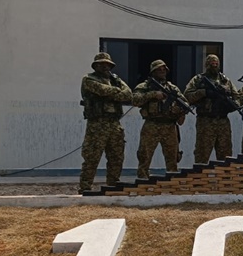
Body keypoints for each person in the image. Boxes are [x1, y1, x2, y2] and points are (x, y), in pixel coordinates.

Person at [78, 52, 132, 193]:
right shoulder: (88, 79)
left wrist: (113, 93)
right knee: (92, 157)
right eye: (101, 64)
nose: (105, 66)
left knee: (116, 157)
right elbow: (101, 90)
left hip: (114, 123)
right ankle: (85, 187)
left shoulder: (115, 80)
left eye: (107, 64)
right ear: (95, 66)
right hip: (97, 124)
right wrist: (117, 93)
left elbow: (128, 94)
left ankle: (113, 186)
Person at [132, 59, 188, 179]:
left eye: (164, 70)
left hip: (169, 126)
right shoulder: (145, 86)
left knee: (172, 157)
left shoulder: (172, 88)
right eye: (159, 70)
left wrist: (181, 112)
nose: (162, 72)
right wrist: (152, 94)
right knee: (144, 155)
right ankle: (142, 180)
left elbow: (184, 102)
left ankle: (172, 181)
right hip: (152, 125)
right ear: (153, 72)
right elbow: (135, 100)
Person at [184, 54, 238, 164]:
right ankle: (199, 175)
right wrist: (204, 92)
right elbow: (187, 96)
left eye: (216, 64)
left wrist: (231, 105)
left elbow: (237, 97)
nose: (214, 66)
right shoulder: (198, 80)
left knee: (226, 155)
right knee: (202, 153)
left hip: (223, 121)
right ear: (207, 65)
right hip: (206, 121)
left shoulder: (225, 80)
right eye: (212, 64)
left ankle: (225, 175)